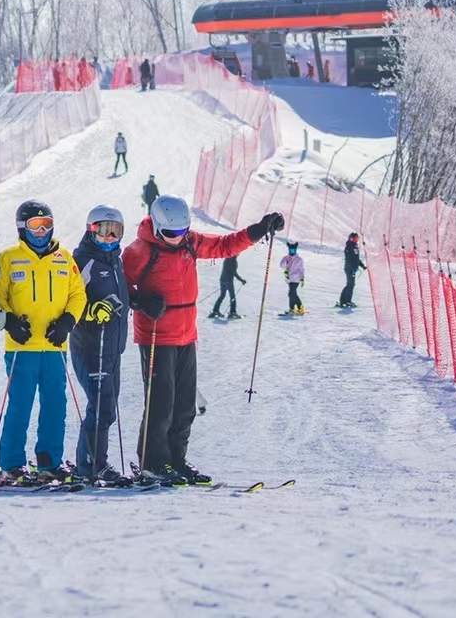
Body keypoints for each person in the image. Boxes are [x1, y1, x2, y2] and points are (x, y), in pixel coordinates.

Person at [125, 196, 284, 482]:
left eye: (183, 231)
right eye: (172, 233)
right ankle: (154, 463)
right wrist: (139, 300)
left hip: (187, 335)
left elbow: (224, 246)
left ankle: (176, 460)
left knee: (185, 405)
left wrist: (258, 230)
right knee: (161, 404)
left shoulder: (189, 242)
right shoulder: (140, 251)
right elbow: (119, 282)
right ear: (158, 227)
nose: (178, 238)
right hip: (156, 336)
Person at [0, 199, 86, 482]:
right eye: (35, 225)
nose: (42, 231)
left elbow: (77, 294)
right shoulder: (9, 258)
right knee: (20, 406)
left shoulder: (64, 258)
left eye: (46, 224)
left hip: (54, 348)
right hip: (22, 348)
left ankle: (48, 462)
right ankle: (11, 464)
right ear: (22, 227)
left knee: (55, 406)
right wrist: (10, 321)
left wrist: (67, 323)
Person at [70, 204, 130, 480]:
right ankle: (90, 466)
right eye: (104, 231)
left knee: (107, 409)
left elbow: (119, 295)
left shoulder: (115, 261)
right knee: (101, 406)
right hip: (91, 346)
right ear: (90, 230)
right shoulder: (83, 261)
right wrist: (92, 311)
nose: (109, 238)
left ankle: (96, 463)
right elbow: (67, 300)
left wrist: (141, 301)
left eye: (115, 232)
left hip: (113, 346)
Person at [338, 233, 367, 308]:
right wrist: (351, 268)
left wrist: (362, 266)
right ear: (350, 239)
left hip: (353, 269)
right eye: (353, 239)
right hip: (349, 269)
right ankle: (346, 301)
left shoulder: (355, 247)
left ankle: (344, 300)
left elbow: (356, 259)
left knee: (350, 284)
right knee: (350, 284)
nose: (355, 240)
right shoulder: (349, 247)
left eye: (356, 239)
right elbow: (349, 259)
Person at [281, 241, 306, 315]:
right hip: (289, 279)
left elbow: (301, 269)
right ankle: (300, 307)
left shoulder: (299, 259)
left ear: (296, 250)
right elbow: (282, 266)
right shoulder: (286, 258)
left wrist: (302, 278)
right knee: (292, 294)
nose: (292, 252)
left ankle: (292, 309)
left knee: (292, 293)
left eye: (293, 250)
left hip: (296, 279)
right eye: (291, 250)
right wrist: (286, 261)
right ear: (289, 250)